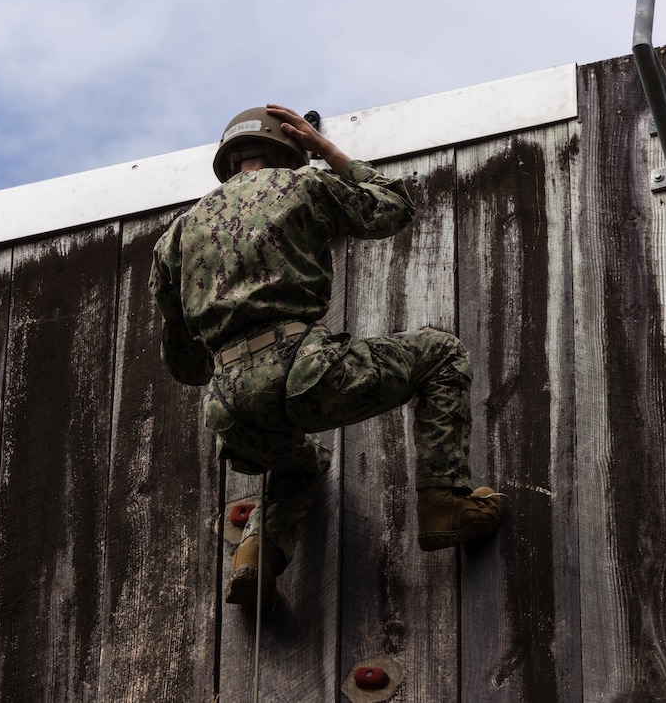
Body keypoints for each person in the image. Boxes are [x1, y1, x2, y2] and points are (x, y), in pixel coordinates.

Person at [149, 104, 503, 608]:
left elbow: (183, 362)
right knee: (442, 353)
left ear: (228, 163)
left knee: (298, 466)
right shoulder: (304, 186)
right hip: (302, 368)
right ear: (291, 153)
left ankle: (254, 555)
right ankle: (444, 503)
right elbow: (391, 208)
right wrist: (329, 152)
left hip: (228, 404)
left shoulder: (175, 238)